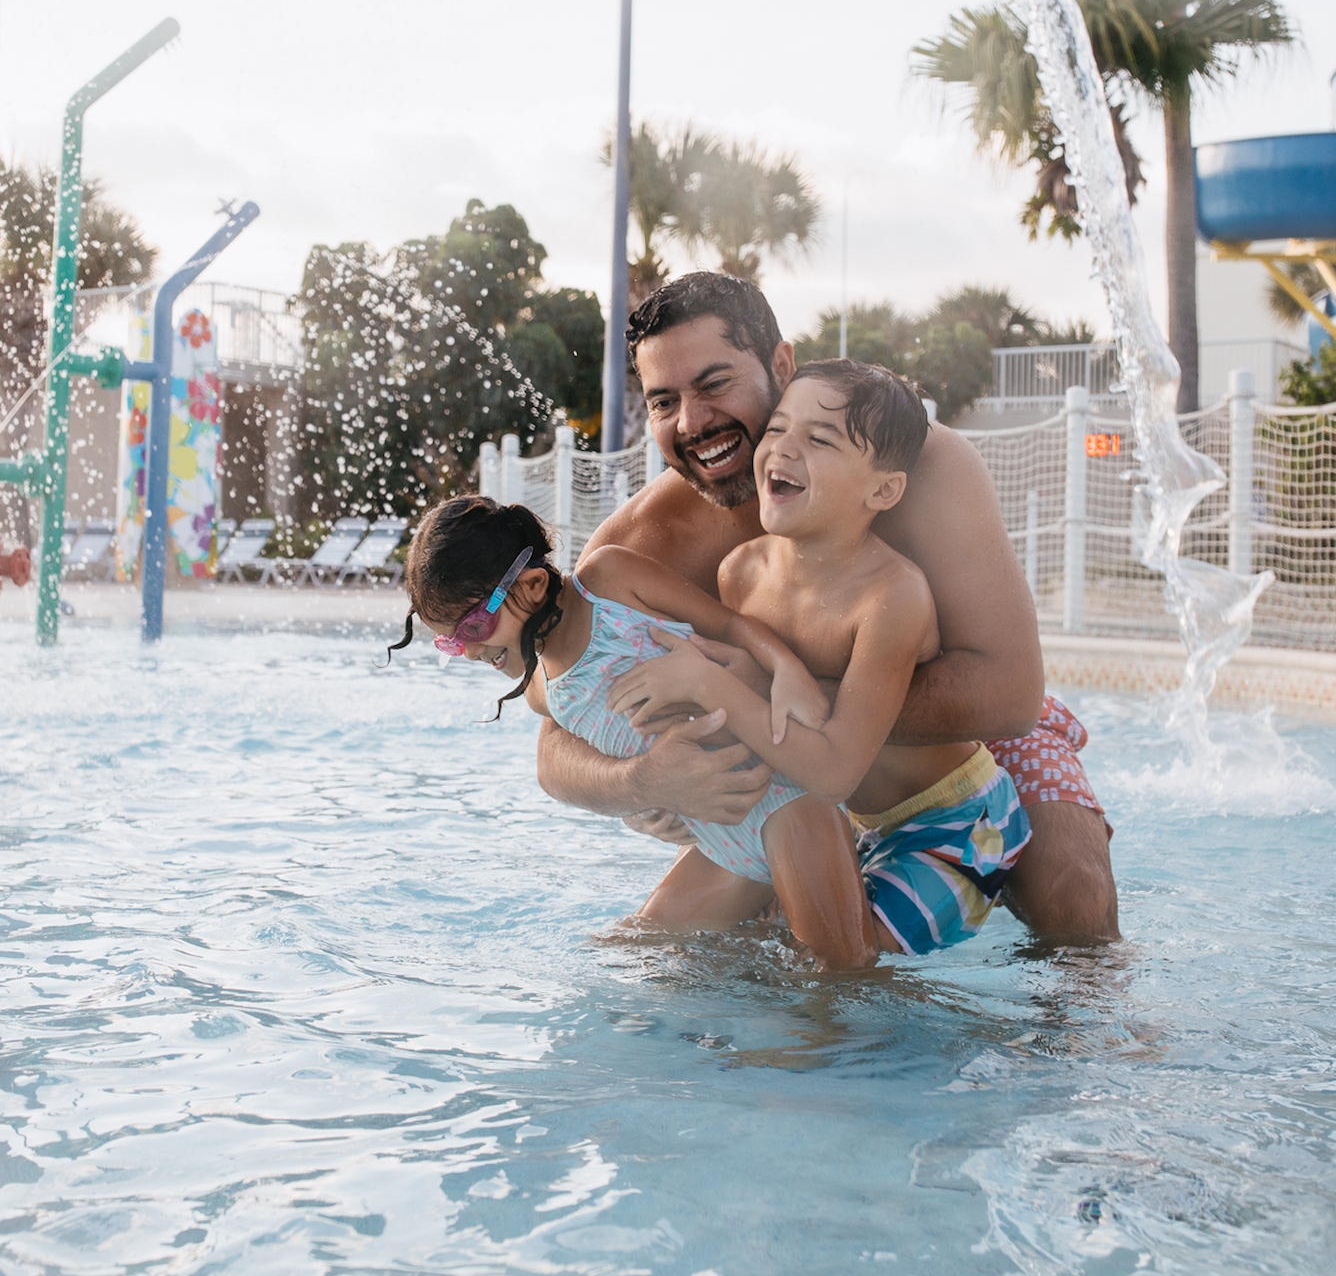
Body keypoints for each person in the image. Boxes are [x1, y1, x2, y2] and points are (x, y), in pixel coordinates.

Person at [537, 271, 1119, 943]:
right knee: (677, 947)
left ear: (781, 365)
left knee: (1072, 898)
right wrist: (641, 780)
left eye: (715, 383)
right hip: (798, 770)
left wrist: (766, 694)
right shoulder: (647, 547)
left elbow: (1011, 692)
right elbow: (555, 729)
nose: (693, 423)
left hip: (963, 753)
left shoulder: (916, 468)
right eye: (665, 401)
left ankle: (1096, 1036)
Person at [604, 358, 1032, 955]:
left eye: (820, 438)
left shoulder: (892, 596)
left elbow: (836, 768)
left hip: (953, 824)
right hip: (841, 820)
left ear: (882, 489)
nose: (783, 449)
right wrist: (670, 790)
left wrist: (707, 684)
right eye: (777, 428)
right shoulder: (741, 573)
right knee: (646, 941)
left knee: (839, 962)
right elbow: (756, 717)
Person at [387, 493, 881, 970]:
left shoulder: (609, 581)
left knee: (839, 982)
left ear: (533, 585)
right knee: (627, 954)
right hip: (721, 845)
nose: (470, 652)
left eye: (473, 628)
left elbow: (729, 625)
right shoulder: (543, 691)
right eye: (450, 642)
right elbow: (592, 766)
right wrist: (639, 797)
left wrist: (786, 669)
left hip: (784, 805)